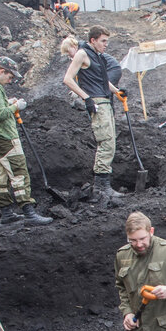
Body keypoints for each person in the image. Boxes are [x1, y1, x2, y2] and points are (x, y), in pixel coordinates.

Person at [0, 57, 53, 226]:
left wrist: (6, 103)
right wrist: (16, 107)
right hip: (5, 137)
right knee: (19, 174)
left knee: (0, 176)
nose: (10, 81)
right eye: (9, 77)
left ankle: (7, 213)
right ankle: (29, 213)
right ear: (1, 71)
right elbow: (0, 114)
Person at [62, 27, 124, 205]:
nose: (106, 45)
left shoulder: (97, 56)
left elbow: (103, 81)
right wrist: (86, 98)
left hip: (105, 100)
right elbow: (68, 78)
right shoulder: (82, 54)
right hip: (97, 102)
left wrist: (118, 92)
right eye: (103, 41)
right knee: (105, 142)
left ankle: (105, 185)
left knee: (111, 142)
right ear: (93, 40)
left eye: (107, 41)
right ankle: (101, 187)